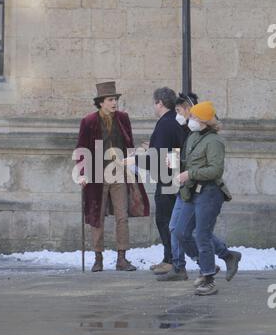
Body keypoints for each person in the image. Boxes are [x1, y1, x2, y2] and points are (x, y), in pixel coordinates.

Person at [76, 82, 150, 272]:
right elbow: (82, 149)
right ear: (101, 102)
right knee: (97, 216)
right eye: (110, 100)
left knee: (122, 216)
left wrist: (133, 161)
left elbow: (129, 144)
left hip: (119, 173)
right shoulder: (89, 121)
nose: (114, 102)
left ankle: (122, 258)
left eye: (115, 99)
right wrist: (83, 174)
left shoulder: (123, 119)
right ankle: (98, 258)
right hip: (97, 175)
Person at [173, 101, 240, 295]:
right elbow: (188, 160)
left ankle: (208, 278)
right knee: (181, 232)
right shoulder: (194, 136)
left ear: (203, 120)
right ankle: (221, 259)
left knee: (202, 234)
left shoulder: (215, 141)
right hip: (192, 192)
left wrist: (190, 174)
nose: (190, 119)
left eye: (193, 117)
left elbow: (215, 170)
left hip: (210, 193)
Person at [124, 87, 184, 275]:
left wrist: (134, 160)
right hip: (173, 176)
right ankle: (172, 258)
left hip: (168, 180)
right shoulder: (174, 120)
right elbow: (169, 149)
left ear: (160, 102)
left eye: (155, 102)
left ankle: (172, 260)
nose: (154, 106)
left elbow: (159, 157)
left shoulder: (165, 123)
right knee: (171, 221)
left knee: (165, 221)